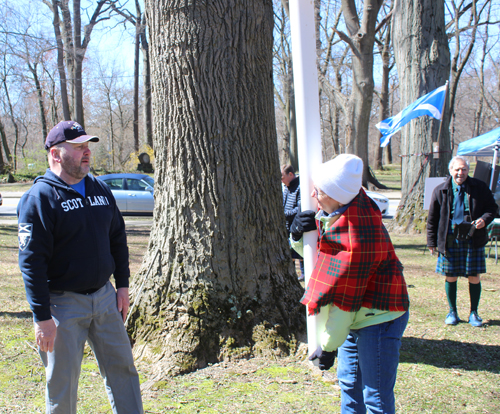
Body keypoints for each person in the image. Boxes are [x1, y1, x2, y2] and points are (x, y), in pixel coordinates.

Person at [17, 120, 143, 414]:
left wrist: (122, 285)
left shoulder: (99, 189)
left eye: (87, 147)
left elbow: (117, 238)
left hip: (104, 298)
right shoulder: (40, 198)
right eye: (78, 148)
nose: (86, 153)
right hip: (62, 306)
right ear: (55, 155)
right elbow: (31, 262)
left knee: (124, 371)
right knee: (62, 385)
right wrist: (42, 317)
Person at [290, 154, 409, 414]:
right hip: (356, 316)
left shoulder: (357, 236)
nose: (312, 194)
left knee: (375, 397)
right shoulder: (348, 208)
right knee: (349, 386)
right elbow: (325, 259)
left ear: (334, 194)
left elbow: (346, 302)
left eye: (318, 191)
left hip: (380, 316)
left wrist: (328, 347)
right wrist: (300, 235)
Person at [427, 155, 497, 327]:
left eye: (464, 169)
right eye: (457, 169)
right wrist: (431, 242)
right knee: (450, 275)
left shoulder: (479, 187)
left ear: (468, 171)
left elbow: (492, 208)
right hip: (449, 237)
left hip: (473, 235)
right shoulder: (440, 190)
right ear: (450, 171)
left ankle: (474, 313)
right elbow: (432, 218)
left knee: (474, 275)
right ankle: (452, 312)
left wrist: (484, 220)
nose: (461, 173)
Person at [281, 164, 304, 279]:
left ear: (290, 174)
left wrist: (283, 215)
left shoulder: (300, 187)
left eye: (282, 177)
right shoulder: (286, 187)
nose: (282, 180)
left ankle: (304, 273)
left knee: (299, 253)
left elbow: (299, 209)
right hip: (286, 226)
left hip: (296, 226)